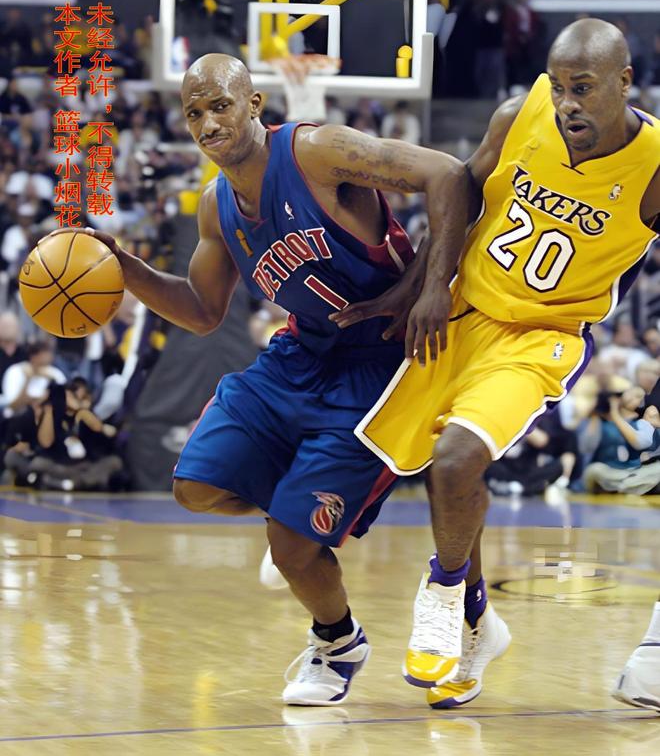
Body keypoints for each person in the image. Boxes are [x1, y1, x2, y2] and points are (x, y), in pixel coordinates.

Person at [55, 52, 474, 706]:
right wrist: (126, 268)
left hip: (378, 362)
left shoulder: (317, 153)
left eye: (221, 105)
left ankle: (336, 643)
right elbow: (202, 310)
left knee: (291, 548)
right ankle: (298, 517)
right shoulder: (215, 206)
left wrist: (431, 285)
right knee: (195, 486)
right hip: (300, 355)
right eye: (194, 112)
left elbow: (448, 175)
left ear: (254, 105)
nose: (207, 123)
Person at [331, 18, 660, 706]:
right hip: (463, 312)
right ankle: (479, 623)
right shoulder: (519, 116)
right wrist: (425, 285)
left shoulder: (653, 166)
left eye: (583, 88)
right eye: (559, 86)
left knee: (455, 461)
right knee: (439, 476)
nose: (566, 103)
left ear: (624, 83)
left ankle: (444, 591)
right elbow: (459, 191)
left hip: (542, 335)